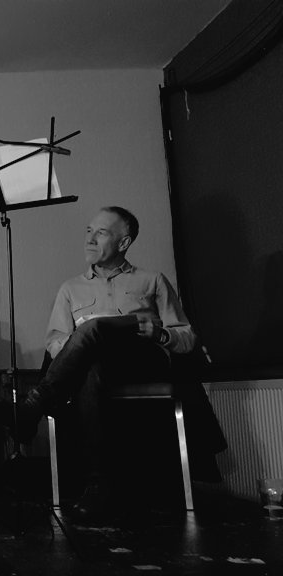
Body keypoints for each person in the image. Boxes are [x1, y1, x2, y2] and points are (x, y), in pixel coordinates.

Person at [16, 206, 225, 520]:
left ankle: (33, 406)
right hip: (94, 368)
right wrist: (78, 346)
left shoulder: (152, 280)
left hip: (142, 362)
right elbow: (56, 342)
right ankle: (99, 484)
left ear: (124, 242)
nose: (89, 239)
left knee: (93, 327)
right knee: (91, 359)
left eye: (100, 232)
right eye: (88, 231)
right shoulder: (70, 288)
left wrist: (159, 333)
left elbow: (186, 337)